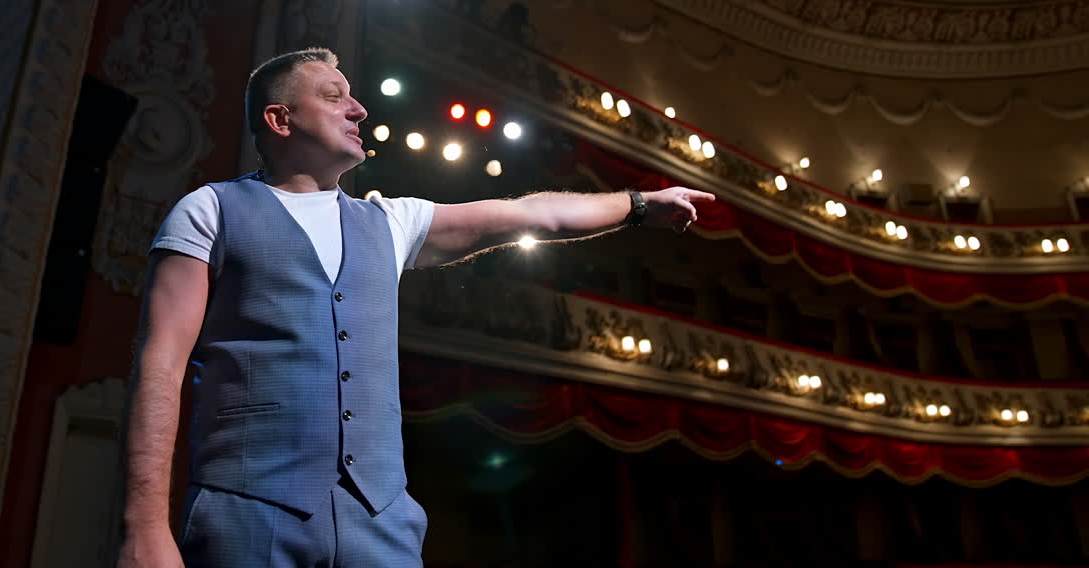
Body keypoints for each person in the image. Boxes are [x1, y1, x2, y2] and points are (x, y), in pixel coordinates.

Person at [117, 48, 715, 568]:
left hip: (380, 525)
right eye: (334, 97)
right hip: (248, 517)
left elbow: (537, 213)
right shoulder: (210, 210)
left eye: (354, 98)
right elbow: (160, 369)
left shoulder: (391, 221)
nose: (359, 111)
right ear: (279, 118)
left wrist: (639, 204)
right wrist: (144, 526)